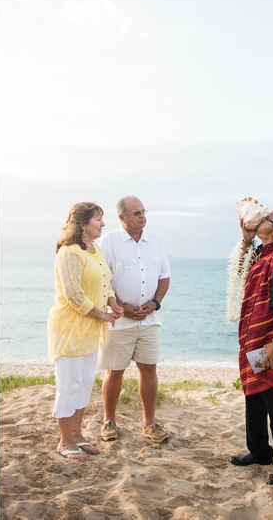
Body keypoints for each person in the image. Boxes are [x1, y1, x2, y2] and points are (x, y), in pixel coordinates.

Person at [229, 207, 273, 487]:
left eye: (267, 218)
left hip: (271, 340)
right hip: (252, 336)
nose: (261, 220)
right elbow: (238, 272)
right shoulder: (262, 253)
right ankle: (259, 452)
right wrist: (246, 240)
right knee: (254, 398)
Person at [48, 202, 124, 460]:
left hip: (91, 329)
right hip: (69, 329)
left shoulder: (95, 250)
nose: (103, 224)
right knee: (68, 386)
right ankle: (64, 441)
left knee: (83, 385)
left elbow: (105, 283)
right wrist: (103, 314)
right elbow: (73, 295)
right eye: (98, 219)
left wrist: (113, 303)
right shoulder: (69, 253)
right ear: (82, 224)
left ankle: (78, 436)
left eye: (102, 219)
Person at [98, 196, 171, 443]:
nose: (142, 216)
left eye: (143, 211)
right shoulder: (108, 242)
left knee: (149, 369)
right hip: (120, 320)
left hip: (150, 320)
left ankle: (149, 423)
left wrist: (155, 304)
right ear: (122, 218)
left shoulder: (156, 241)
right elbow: (102, 280)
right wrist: (121, 307)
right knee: (115, 371)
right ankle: (109, 420)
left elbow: (164, 277)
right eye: (136, 213)